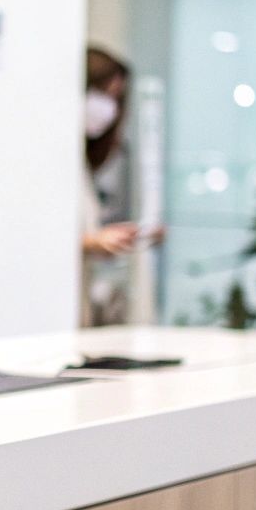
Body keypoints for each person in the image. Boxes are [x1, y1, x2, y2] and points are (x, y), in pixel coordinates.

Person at [82, 46, 160, 325]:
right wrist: (89, 242)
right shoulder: (51, 162)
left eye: (115, 99)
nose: (108, 109)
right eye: (103, 94)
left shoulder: (84, 164)